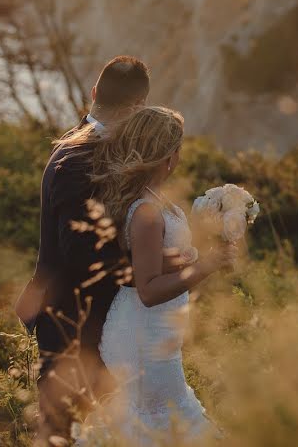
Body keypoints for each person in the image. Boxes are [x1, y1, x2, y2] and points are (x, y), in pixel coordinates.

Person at [15, 55, 154, 445]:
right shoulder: (77, 159)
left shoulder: (80, 144)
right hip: (72, 324)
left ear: (94, 93)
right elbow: (80, 254)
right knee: (65, 432)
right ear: (138, 107)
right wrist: (148, 270)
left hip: (95, 325)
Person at [89, 105, 236, 444]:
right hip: (142, 336)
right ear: (167, 155)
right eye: (178, 147)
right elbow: (149, 289)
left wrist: (194, 255)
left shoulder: (153, 200)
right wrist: (206, 266)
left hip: (154, 329)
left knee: (161, 420)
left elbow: (149, 261)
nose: (180, 155)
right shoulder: (147, 212)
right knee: (161, 419)